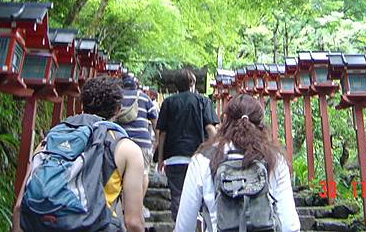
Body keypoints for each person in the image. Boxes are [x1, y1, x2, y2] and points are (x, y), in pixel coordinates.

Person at [12, 76, 145, 232]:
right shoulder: (127, 149)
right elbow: (133, 222)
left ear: (82, 105)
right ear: (117, 110)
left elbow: (20, 207)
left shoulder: (51, 139)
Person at [174, 94, 300, 232]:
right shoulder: (274, 159)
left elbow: (184, 226)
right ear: (261, 124)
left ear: (225, 121)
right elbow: (289, 225)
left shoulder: (204, 159)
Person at [156, 69, 219, 221]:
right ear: (192, 83)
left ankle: (179, 225)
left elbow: (162, 133)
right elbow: (210, 129)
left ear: (175, 85)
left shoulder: (168, 102)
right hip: (198, 157)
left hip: (173, 158)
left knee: (177, 196)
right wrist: (218, 152)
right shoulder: (203, 101)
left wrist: (160, 159)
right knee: (202, 196)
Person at [117, 74, 158, 194]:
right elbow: (155, 121)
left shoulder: (117, 97)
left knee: (119, 174)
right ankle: (138, 205)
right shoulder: (144, 97)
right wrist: (156, 141)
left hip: (121, 141)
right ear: (135, 86)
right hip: (142, 142)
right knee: (143, 173)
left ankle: (122, 205)